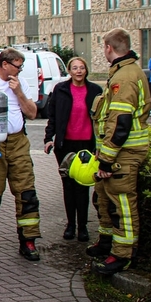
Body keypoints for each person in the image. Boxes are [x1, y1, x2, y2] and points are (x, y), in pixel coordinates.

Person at [87, 28, 151, 276]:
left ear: (108, 48)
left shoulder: (123, 78)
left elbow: (120, 124)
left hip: (123, 154)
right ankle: (106, 243)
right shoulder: (123, 73)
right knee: (103, 198)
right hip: (115, 153)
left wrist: (106, 160)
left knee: (121, 204)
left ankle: (123, 255)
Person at [0, 47, 42, 262]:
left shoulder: (20, 83)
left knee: (27, 194)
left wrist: (19, 93)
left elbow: (32, 114)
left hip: (18, 143)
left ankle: (28, 241)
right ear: (4, 64)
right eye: (18, 66)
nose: (20, 70)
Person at [43, 57, 102, 242]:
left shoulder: (95, 91)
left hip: (86, 144)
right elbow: (52, 116)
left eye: (82, 68)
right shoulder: (60, 90)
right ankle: (70, 225)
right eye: (74, 68)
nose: (78, 71)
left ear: (86, 70)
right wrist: (48, 138)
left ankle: (83, 227)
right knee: (68, 186)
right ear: (69, 71)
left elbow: (101, 119)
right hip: (65, 145)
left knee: (83, 186)